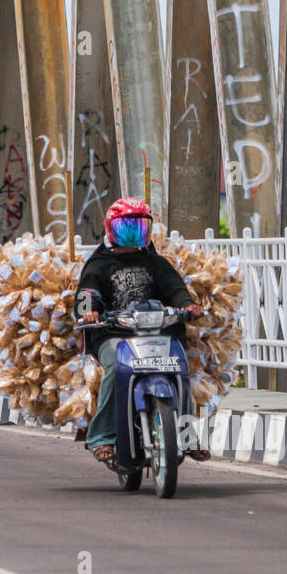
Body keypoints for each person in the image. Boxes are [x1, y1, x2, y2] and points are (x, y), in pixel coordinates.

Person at [76, 197, 206, 464]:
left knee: (181, 370)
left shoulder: (157, 264)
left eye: (140, 227)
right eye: (126, 228)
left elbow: (176, 289)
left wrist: (188, 306)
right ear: (111, 229)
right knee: (114, 370)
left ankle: (187, 435)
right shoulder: (99, 265)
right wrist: (89, 311)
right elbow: (87, 293)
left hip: (157, 333)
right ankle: (103, 436)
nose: (133, 235)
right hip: (114, 336)